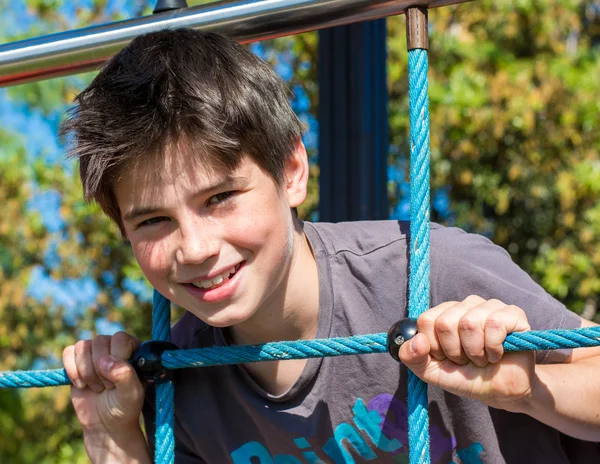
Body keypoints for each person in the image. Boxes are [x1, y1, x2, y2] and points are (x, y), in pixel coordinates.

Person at [60, 28, 600, 464]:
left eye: (221, 197)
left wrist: (529, 388)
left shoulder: (431, 272)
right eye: (153, 220)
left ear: (292, 171)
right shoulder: (178, 378)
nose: (195, 247)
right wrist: (114, 438)